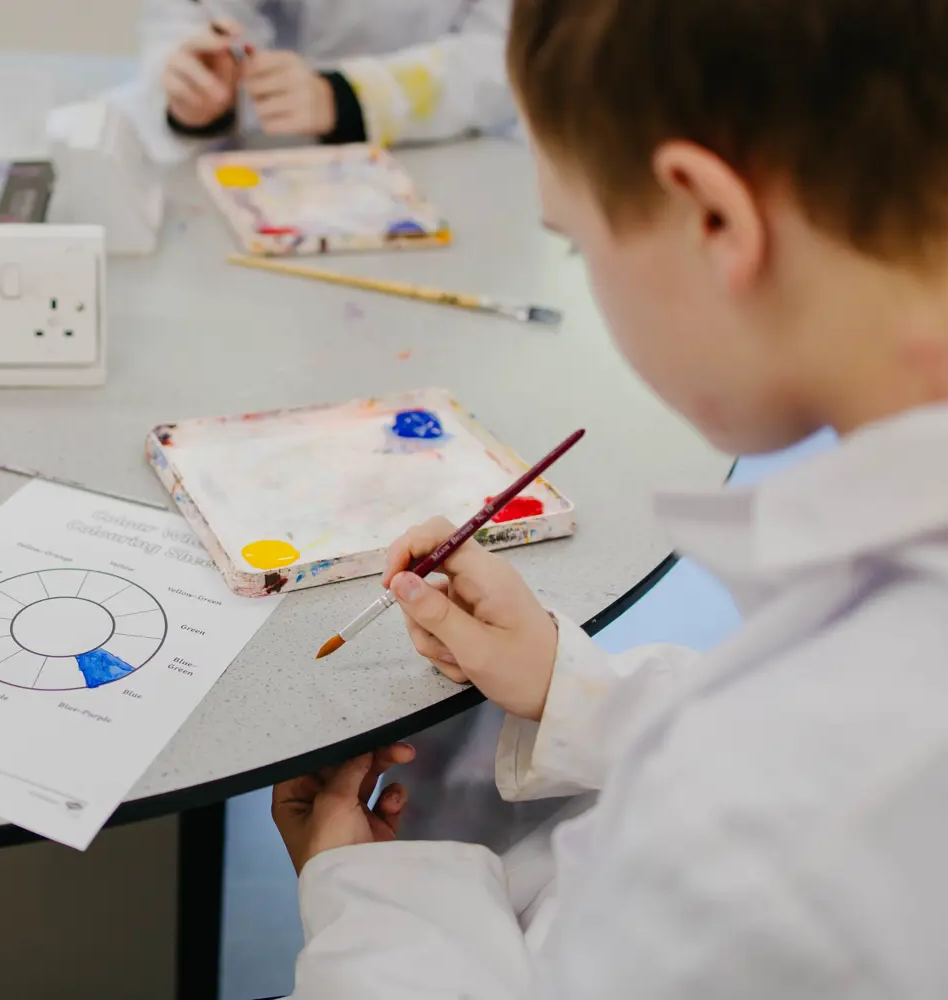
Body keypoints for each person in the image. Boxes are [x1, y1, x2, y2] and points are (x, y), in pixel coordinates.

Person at [269, 0, 948, 996]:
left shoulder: (788, 819)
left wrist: (361, 886)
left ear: (709, 215)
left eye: (578, 243)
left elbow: (763, 780)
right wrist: (569, 689)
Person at [113, 0, 515, 164]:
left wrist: (349, 97)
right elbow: (189, 16)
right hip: (270, 162)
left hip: (461, 157)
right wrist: (198, 95)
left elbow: (508, 52)